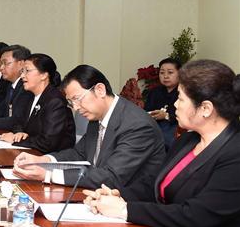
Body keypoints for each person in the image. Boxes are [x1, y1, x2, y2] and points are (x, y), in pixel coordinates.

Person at [83, 60, 240, 227]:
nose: (174, 105)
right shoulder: (189, 139)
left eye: (181, 99)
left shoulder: (235, 152)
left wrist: (126, 210)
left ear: (205, 108)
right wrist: (119, 195)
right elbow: (155, 184)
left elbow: (194, 215)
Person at [14, 64, 164, 190]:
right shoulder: (97, 116)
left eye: (77, 99)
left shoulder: (137, 125)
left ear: (100, 90)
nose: (76, 108)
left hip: (127, 204)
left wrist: (48, 174)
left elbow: (111, 176)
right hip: (98, 195)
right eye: (71, 103)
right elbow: (79, 154)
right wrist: (44, 160)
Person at [0, 53, 74, 153]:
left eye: (27, 71)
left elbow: (47, 142)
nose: (22, 75)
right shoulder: (30, 96)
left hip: (52, 159)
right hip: (32, 153)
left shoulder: (55, 102)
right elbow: (18, 122)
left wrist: (15, 140)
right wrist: (19, 133)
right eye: (22, 71)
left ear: (44, 75)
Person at [144, 58, 181, 150]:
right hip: (154, 125)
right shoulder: (154, 92)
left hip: (174, 127)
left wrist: (166, 116)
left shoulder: (184, 92)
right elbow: (146, 111)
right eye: (162, 73)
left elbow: (188, 116)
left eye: (170, 72)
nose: (165, 76)